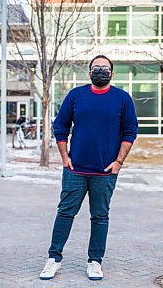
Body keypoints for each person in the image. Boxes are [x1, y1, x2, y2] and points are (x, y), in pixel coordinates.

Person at [39, 55, 138, 280]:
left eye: (105, 68)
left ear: (112, 73)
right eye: (96, 67)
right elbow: (60, 126)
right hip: (75, 170)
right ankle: (53, 259)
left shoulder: (122, 98)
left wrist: (118, 162)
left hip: (105, 172)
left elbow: (130, 131)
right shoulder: (76, 95)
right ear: (89, 72)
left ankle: (95, 261)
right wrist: (65, 158)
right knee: (65, 213)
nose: (100, 71)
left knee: (100, 216)